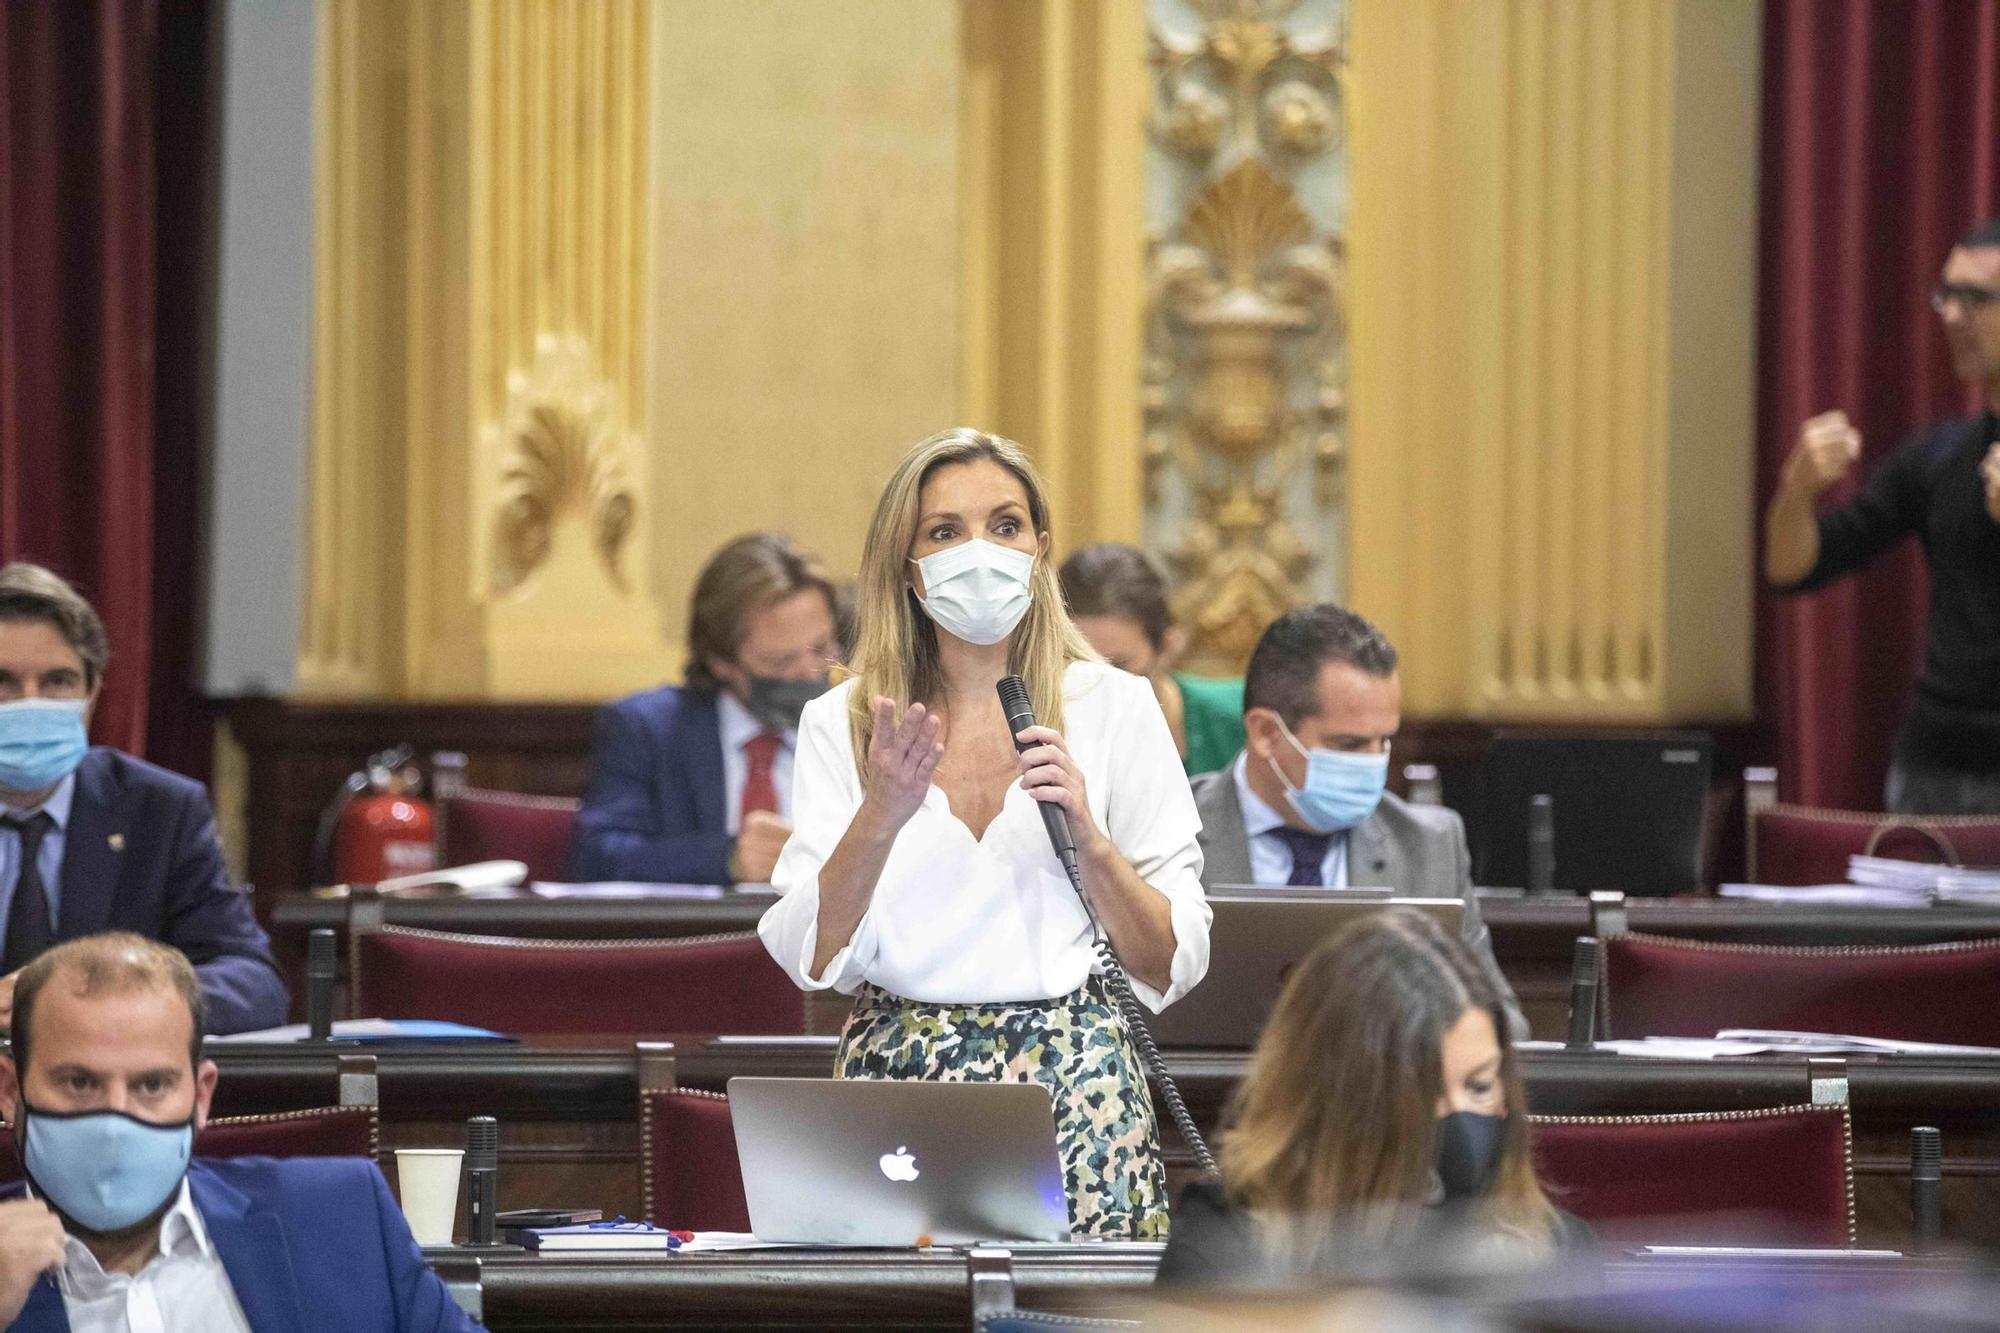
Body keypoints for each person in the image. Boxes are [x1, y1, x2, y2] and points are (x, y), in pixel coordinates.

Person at [757, 428, 1211, 1239]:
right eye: (945, 531)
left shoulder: (1115, 707)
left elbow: (1173, 959)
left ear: (1040, 548)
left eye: (1005, 525)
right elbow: (810, 957)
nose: (981, 550)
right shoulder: (844, 720)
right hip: (897, 1090)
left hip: (1077, 1086)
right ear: (908, 566)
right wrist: (881, 815)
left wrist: (1090, 839)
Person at [0, 932, 481, 1331]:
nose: (115, 1120)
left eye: (152, 1084)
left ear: (201, 1095)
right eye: (79, 1082)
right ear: (10, 1091)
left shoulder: (343, 1216)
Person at [1158, 908, 1583, 1286]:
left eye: (1479, 1086)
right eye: (1425, 1090)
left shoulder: (1556, 1250)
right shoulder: (1225, 1254)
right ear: (1347, 1100)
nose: (1461, 1118)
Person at [1189, 604, 1525, 1039]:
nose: (1375, 765)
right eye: (1349, 744)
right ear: (1266, 734)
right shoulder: (1167, 832)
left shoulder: (1428, 848)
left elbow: (1505, 1026)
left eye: (1384, 741)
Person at [1764, 217, 2000, 815]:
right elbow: (1797, 567)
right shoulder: (1940, 457)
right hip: (1934, 773)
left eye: (1976, 298)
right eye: (1947, 295)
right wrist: (1795, 494)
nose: (1951, 316)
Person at [0, 564, 285, 1037]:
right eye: (3, 681)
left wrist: (108, 997)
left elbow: (253, 981)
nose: (31, 703)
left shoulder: (161, 811)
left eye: (58, 682)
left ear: (91, 693)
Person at [568, 533, 839, 885]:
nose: (811, 672)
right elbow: (597, 857)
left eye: (821, 648)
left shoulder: (861, 727)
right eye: (781, 661)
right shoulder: (647, 728)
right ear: (720, 661)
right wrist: (728, 860)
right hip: (698, 937)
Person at [1057, 542, 1246, 775]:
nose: (1097, 680)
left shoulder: (1242, 719)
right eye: (1077, 661)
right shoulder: (1036, 733)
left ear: (1166, 646)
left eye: (1119, 665)